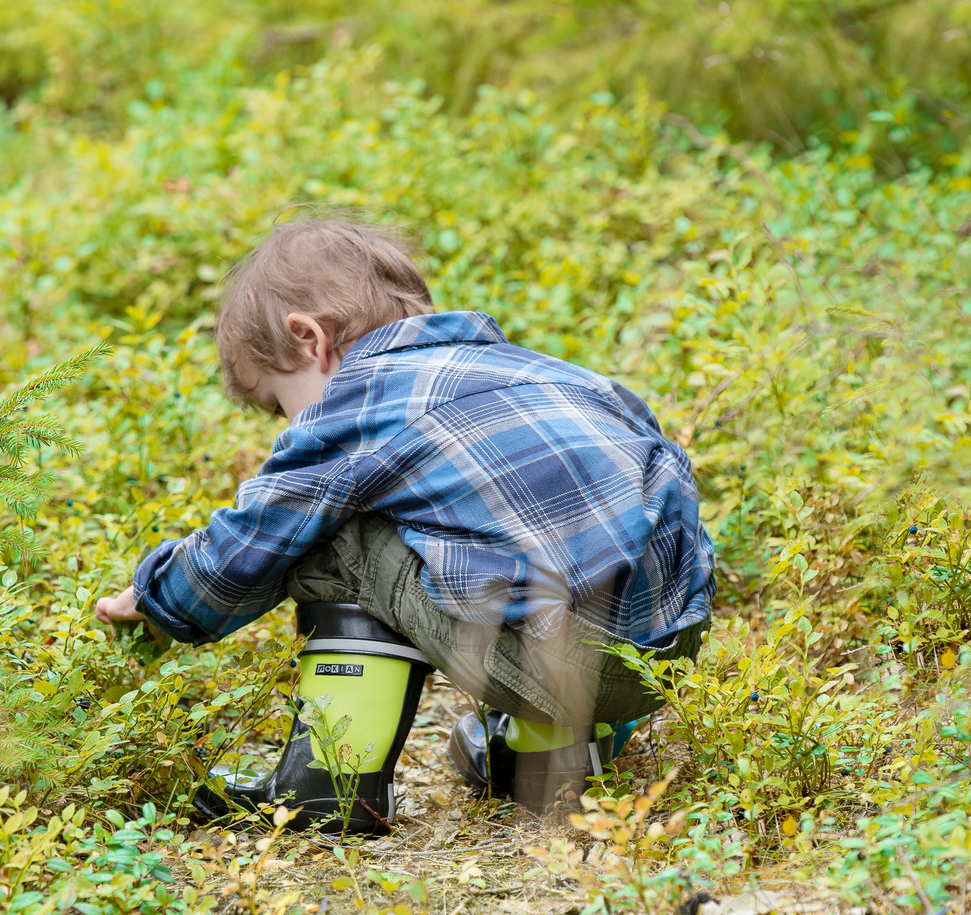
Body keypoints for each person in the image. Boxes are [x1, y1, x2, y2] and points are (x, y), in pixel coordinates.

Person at [95, 216, 715, 832]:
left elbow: (251, 541)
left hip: (557, 667)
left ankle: (330, 783)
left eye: (278, 404)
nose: (288, 426)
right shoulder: (552, 374)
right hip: (667, 657)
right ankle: (545, 755)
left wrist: (154, 598)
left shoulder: (358, 402)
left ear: (309, 339)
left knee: (333, 533)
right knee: (542, 552)